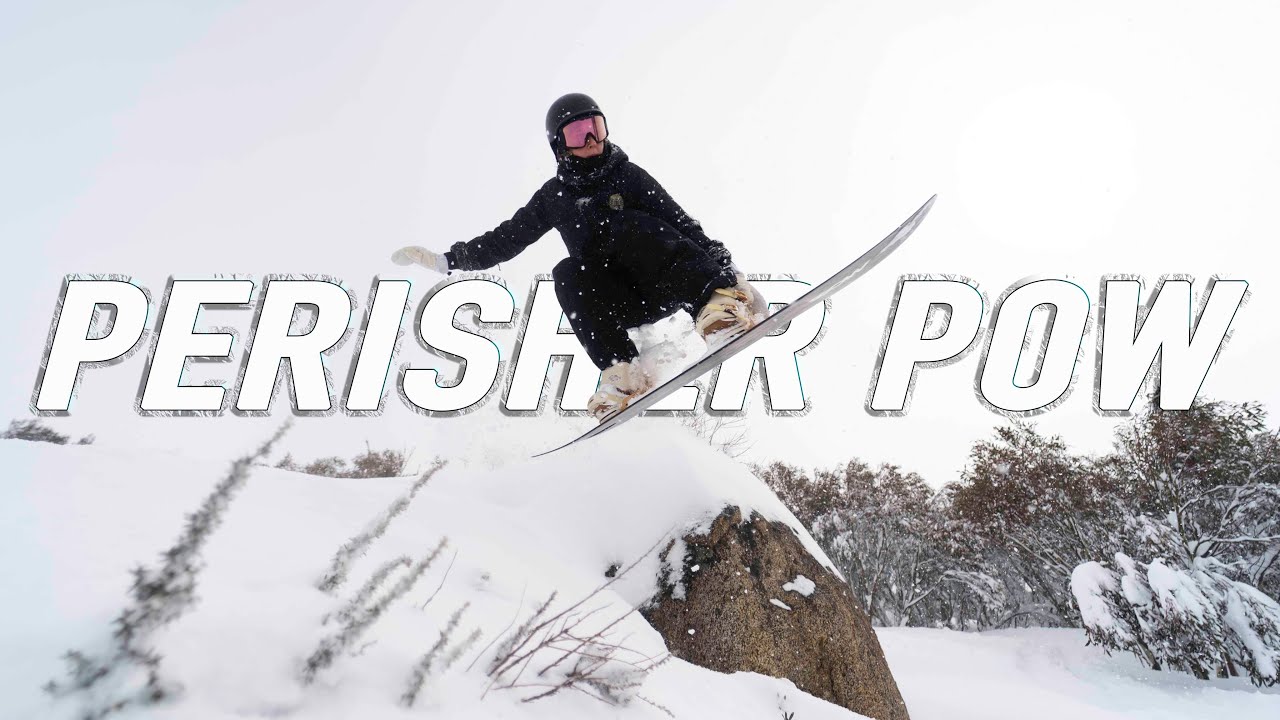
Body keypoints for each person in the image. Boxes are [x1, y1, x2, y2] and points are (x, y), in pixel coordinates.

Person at [392, 93, 765, 420]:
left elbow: (680, 222)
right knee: (567, 271)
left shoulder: (629, 176)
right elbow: (505, 240)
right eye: (577, 133)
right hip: (623, 300)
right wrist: (446, 260)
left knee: (626, 226)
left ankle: (717, 308)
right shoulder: (554, 197)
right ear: (559, 145)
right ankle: (624, 373)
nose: (590, 140)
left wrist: (726, 271)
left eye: (596, 128)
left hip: (667, 281)